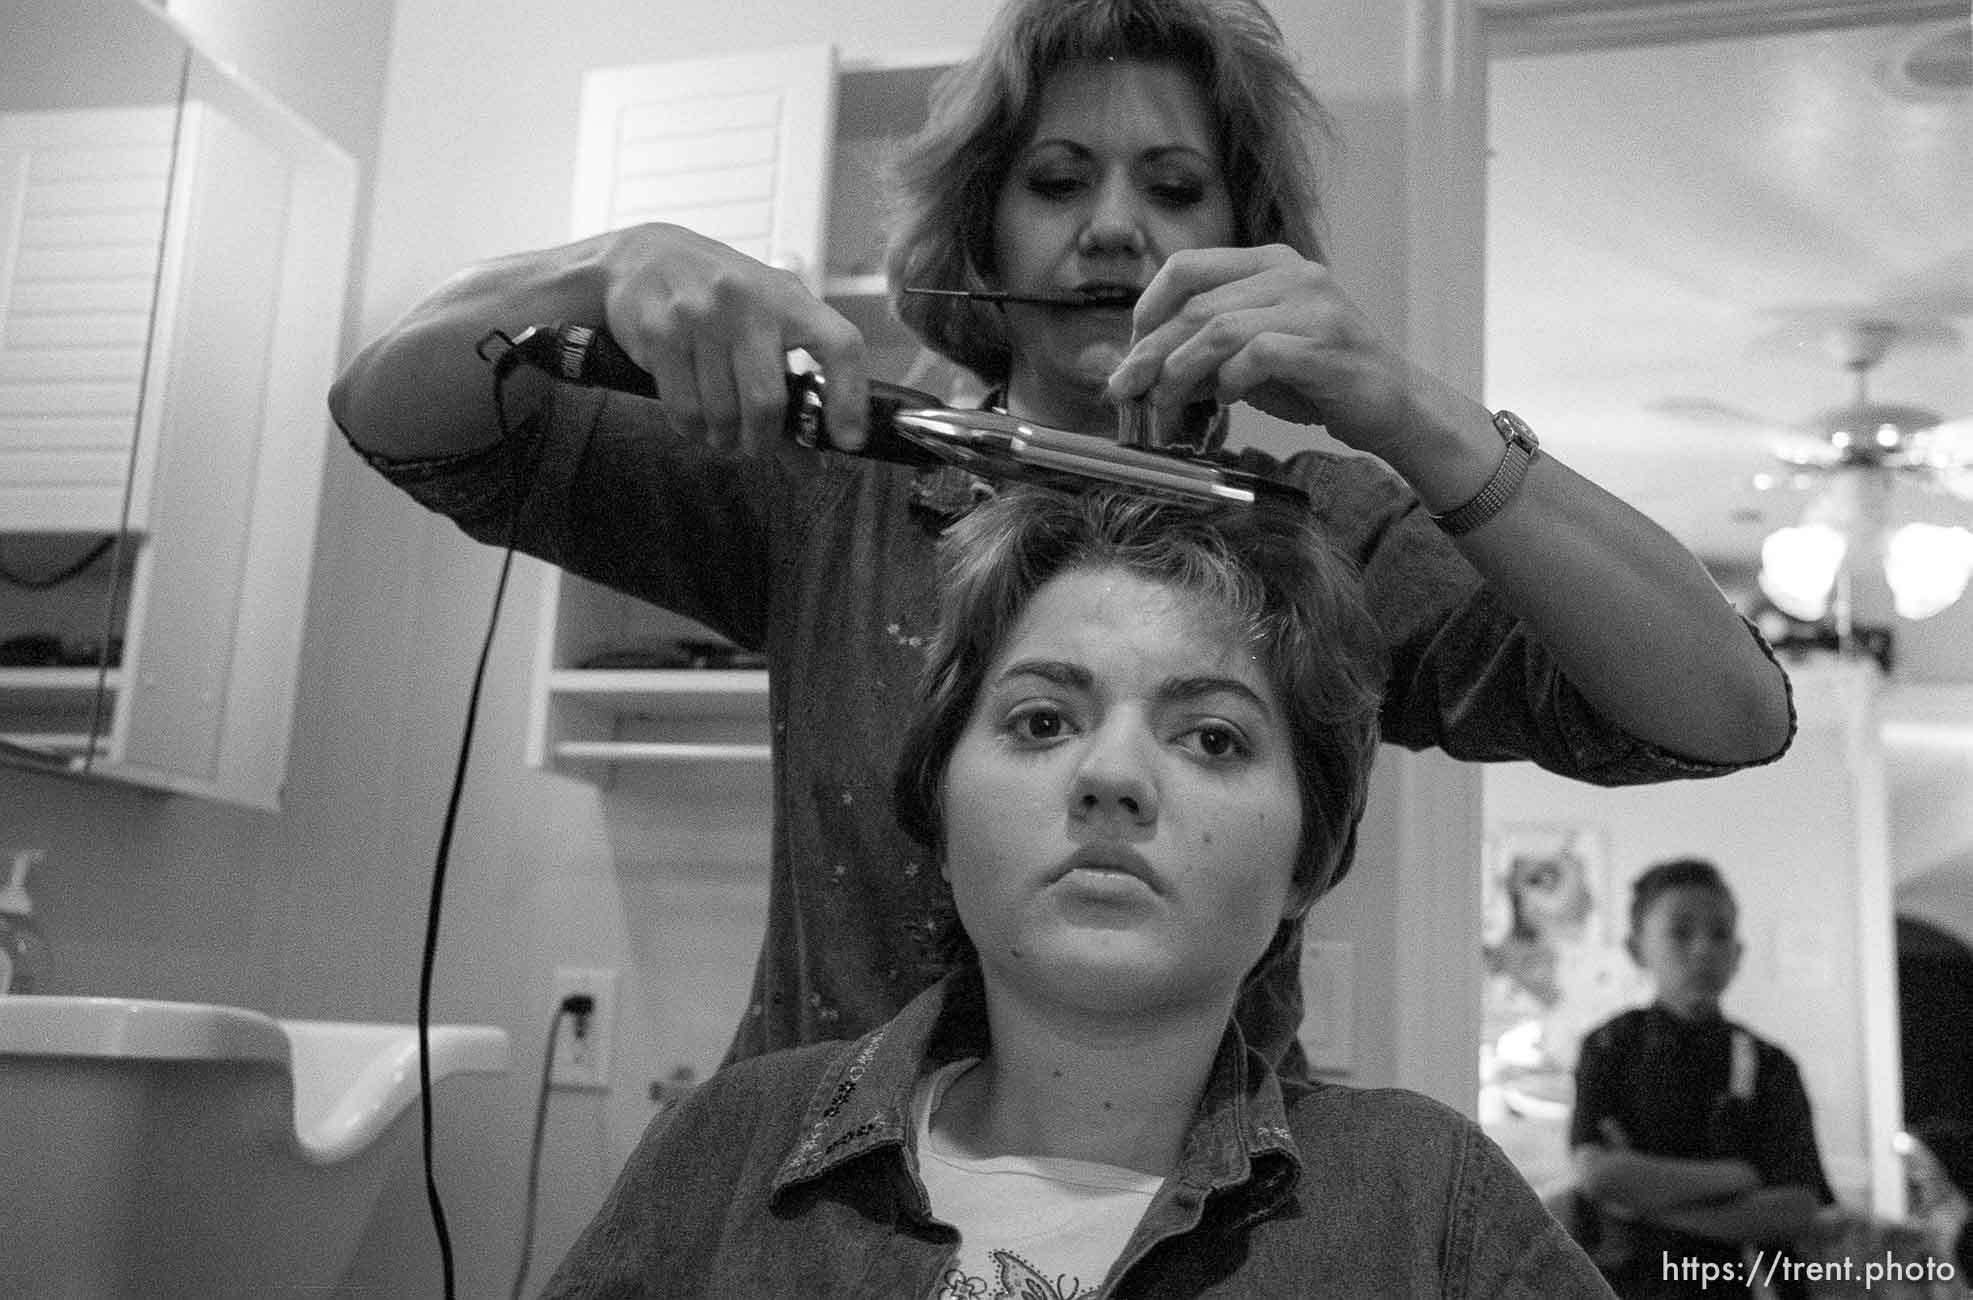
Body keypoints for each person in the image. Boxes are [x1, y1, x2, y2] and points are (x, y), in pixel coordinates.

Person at [327, 0, 1794, 1073]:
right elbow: (403, 413)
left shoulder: (1319, 532)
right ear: (982, 238)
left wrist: (1414, 412)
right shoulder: (836, 472)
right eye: (1055, 182)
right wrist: (603, 265)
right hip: (816, 1221)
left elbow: (1724, 710)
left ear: (1243, 230)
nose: (1111, 234)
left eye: (1171, 190)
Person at [538, 485, 1614, 1298]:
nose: (1109, 775)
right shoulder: (728, 1147)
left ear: (1306, 858)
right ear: (941, 816)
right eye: (1041, 720)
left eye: (1211, 736)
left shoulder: (1426, 1206)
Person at [1568, 857, 1834, 1299]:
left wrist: (1642, 1199)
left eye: (1720, 934)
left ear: (1738, 954)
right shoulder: (1609, 1047)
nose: (1703, 949)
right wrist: (1738, 1175)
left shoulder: (1771, 1064)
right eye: (1680, 931)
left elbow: (1797, 1207)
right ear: (1637, 948)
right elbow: (1597, 1174)